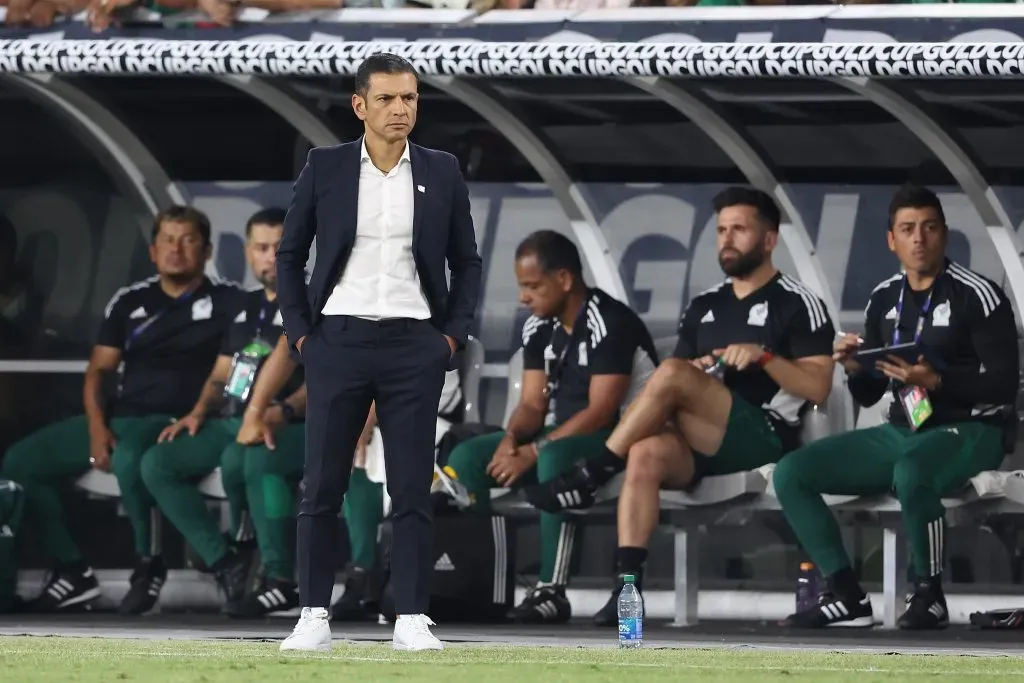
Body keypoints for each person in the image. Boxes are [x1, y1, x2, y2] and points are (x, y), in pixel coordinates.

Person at [525, 187, 837, 626]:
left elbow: (819, 387)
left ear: (769, 240)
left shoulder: (797, 303)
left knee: (670, 373)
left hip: (763, 435)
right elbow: (683, 371)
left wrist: (765, 356)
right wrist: (699, 367)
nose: (727, 239)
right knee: (645, 451)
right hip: (700, 438)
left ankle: (592, 471)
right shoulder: (704, 305)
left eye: (740, 230)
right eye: (722, 230)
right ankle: (626, 589)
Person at [275, 53, 482, 652]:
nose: (401, 109)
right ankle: (313, 612)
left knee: (412, 484)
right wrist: (302, 334)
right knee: (321, 484)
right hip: (336, 340)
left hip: (415, 342)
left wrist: (450, 335)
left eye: (410, 98)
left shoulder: (441, 170)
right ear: (360, 106)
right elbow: (290, 255)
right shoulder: (327, 166)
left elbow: (466, 261)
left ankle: (412, 618)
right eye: (388, 99)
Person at [773, 185, 1019, 630]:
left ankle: (930, 594)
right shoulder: (884, 298)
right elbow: (870, 393)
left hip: (972, 430)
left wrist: (938, 381)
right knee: (791, 472)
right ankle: (846, 594)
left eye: (929, 228)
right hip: (904, 430)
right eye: (908, 229)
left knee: (911, 470)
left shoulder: (977, 295)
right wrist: (852, 366)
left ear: (944, 234)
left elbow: (1003, 386)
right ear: (892, 240)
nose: (919, 238)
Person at [0, 205, 245, 613]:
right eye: (167, 239)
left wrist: (202, 411)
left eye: (188, 240)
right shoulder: (130, 301)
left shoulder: (228, 302)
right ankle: (72, 569)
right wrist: (98, 428)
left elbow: (234, 369)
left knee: (133, 457)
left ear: (206, 251)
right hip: (123, 416)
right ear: (152, 250)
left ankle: (148, 566)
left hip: (179, 419)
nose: (176, 249)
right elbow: (99, 371)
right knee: (21, 462)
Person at [446, 230, 658, 624]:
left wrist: (534, 450)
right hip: (566, 433)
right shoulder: (537, 327)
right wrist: (511, 440)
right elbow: (531, 404)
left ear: (564, 279)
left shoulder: (609, 320)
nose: (523, 297)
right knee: (469, 456)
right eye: (521, 287)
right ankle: (481, 578)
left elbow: (601, 411)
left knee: (554, 457)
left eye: (532, 286)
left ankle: (551, 589)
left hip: (621, 438)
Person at [137, 208, 302, 615]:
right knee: (158, 461)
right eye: (262, 248)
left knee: (247, 458)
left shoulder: (313, 300)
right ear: (248, 253)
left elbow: (328, 379)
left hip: (288, 423)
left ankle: (274, 571)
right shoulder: (245, 307)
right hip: (233, 419)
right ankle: (225, 560)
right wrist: (196, 413)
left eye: (280, 248)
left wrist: (279, 410)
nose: (271, 257)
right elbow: (224, 372)